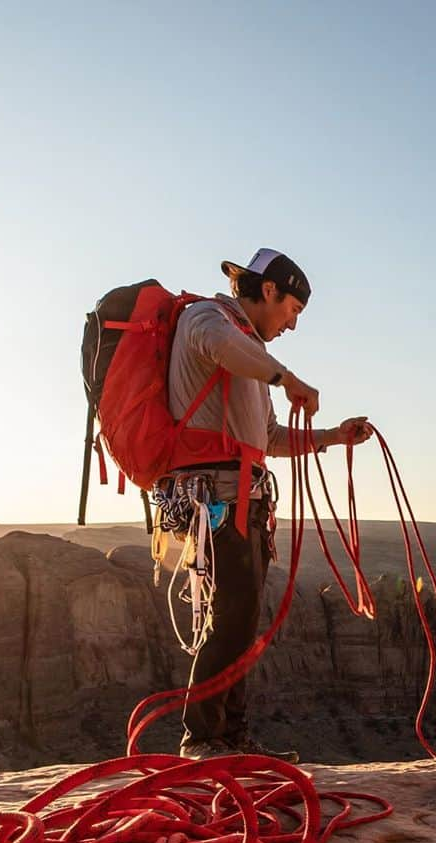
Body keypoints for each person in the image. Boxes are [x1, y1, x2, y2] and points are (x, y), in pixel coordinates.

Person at [166, 247, 372, 760]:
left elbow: (271, 438)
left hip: (246, 503)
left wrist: (334, 437)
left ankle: (231, 738)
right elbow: (219, 345)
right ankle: (203, 740)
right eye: (293, 311)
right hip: (218, 502)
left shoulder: (249, 353)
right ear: (270, 291)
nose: (293, 325)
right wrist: (286, 378)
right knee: (233, 620)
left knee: (241, 621)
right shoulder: (207, 319)